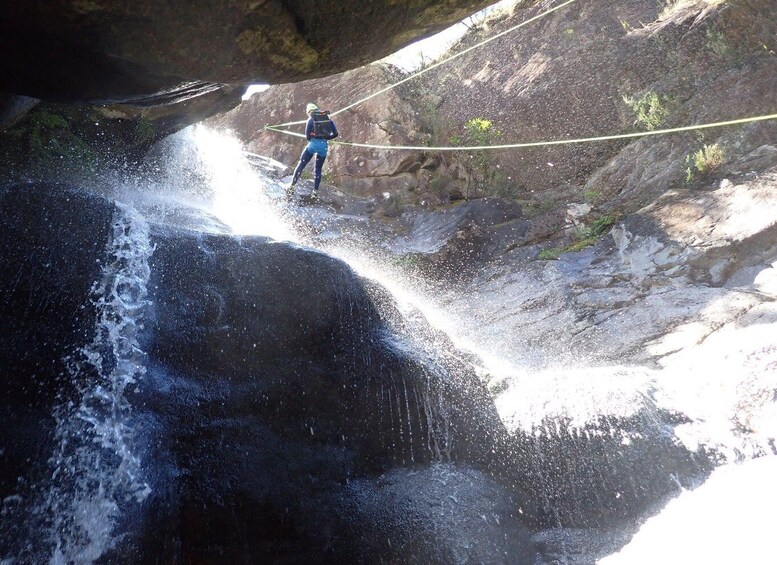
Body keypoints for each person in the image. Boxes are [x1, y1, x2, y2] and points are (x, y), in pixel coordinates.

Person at [288, 103, 338, 197]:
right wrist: (326, 138)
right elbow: (335, 134)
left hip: (312, 145)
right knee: (318, 169)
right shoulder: (327, 119)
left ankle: (292, 186)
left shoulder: (311, 119)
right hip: (323, 147)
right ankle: (315, 192)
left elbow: (307, 137)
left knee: (301, 164)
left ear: (309, 111)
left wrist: (314, 136)